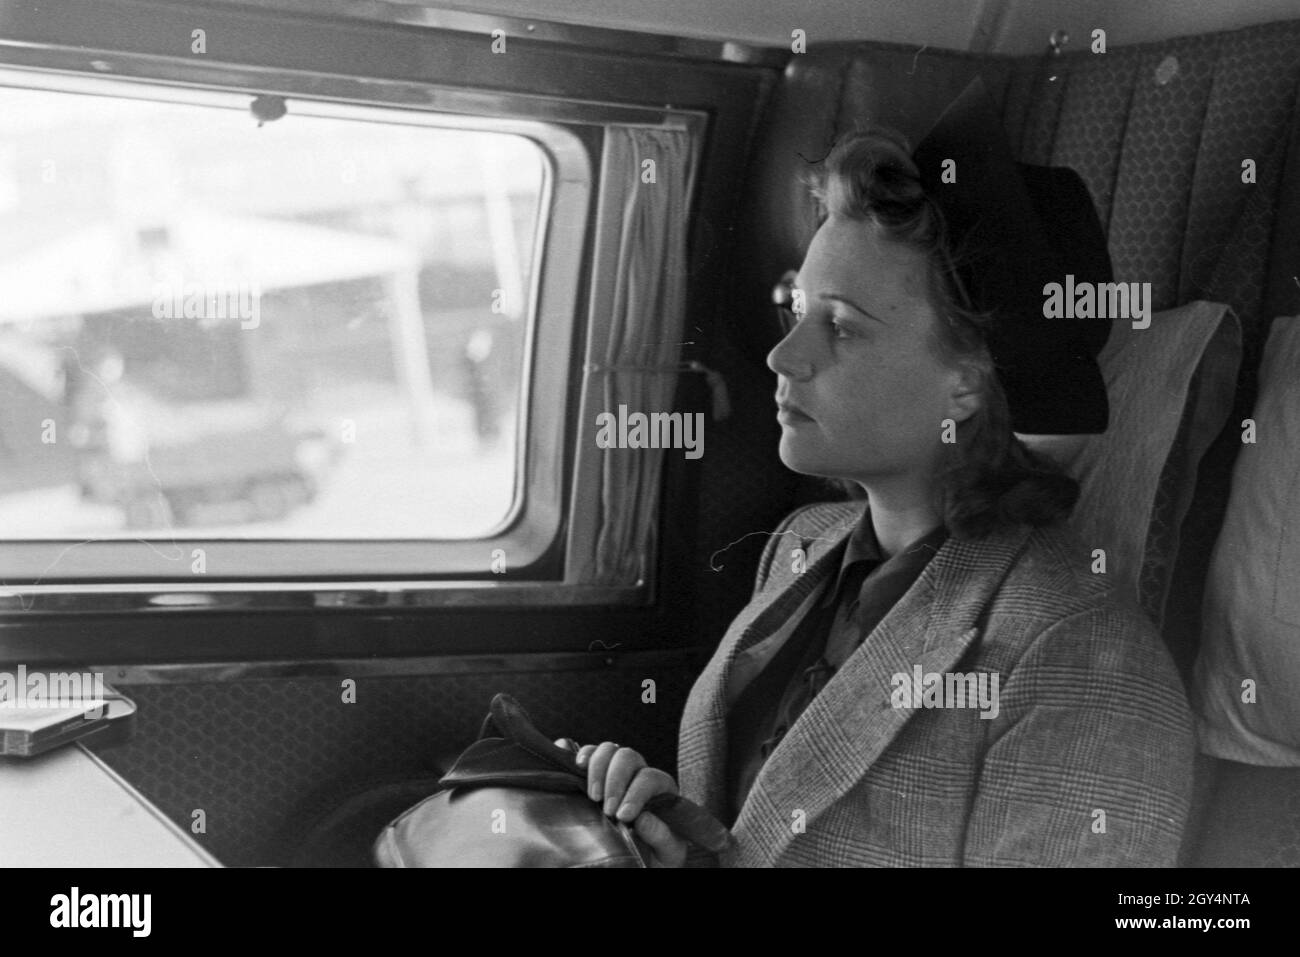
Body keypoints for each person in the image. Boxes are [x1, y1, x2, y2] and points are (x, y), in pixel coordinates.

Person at [563, 79, 1195, 867]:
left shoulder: (1080, 659)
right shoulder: (801, 547)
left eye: (841, 326)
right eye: (797, 307)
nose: (782, 355)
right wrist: (671, 831)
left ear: (967, 382)